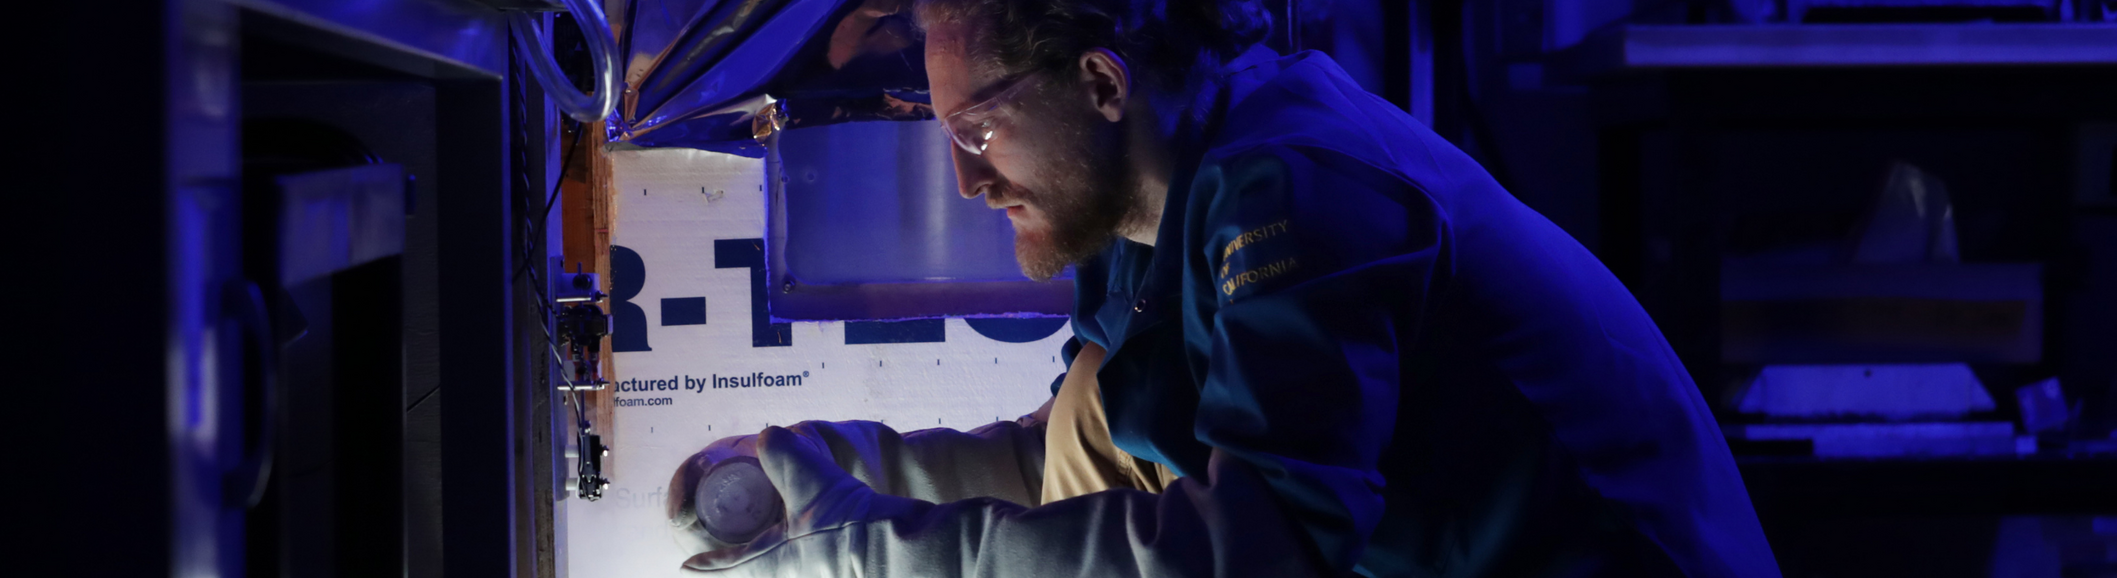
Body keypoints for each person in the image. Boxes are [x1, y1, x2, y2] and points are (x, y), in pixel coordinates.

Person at [672, 1, 1781, 576]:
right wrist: (842, 477)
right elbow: (1090, 453)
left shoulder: (1298, 190)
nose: (966, 181)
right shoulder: (1151, 208)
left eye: (977, 131)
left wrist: (873, 549)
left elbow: (1256, 552)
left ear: (1100, 81)